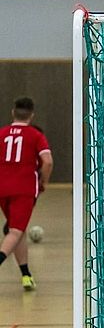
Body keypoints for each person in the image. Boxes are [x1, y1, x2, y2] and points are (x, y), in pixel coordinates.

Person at [0, 97, 52, 291]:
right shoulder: (35, 135)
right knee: (14, 232)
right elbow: (47, 161)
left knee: (17, 229)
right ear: (32, 115)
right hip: (24, 189)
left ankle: (26, 275)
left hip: (2, 188)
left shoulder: (2, 133)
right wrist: (43, 181)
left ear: (13, 112)